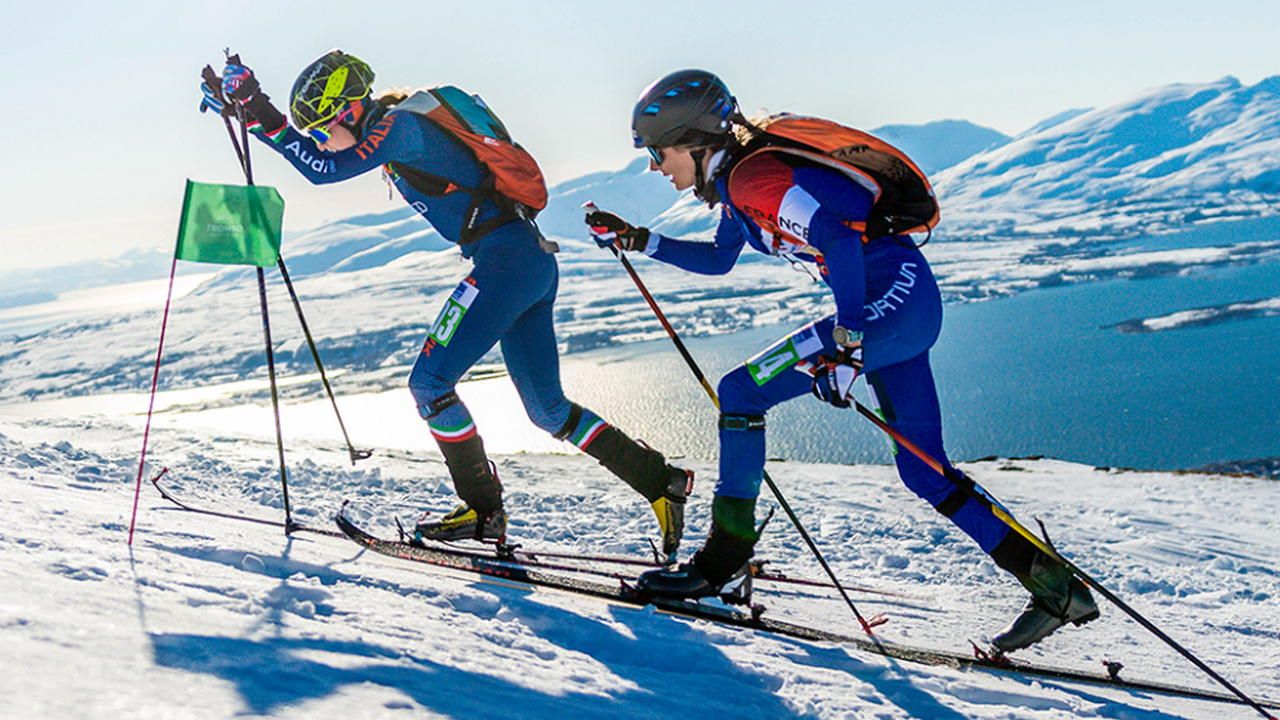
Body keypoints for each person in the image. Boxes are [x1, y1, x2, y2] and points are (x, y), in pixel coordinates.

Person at [585, 69, 1099, 652]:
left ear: (695, 141)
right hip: (905, 299)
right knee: (923, 469)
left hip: (884, 305)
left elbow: (835, 236)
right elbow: (719, 262)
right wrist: (637, 240)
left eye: (659, 152)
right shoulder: (741, 185)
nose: (656, 167)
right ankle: (1055, 587)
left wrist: (849, 345)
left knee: (741, 390)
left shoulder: (755, 179)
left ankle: (721, 565)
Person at [198, 50, 692, 559]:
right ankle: (660, 482)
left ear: (347, 110)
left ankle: (482, 510)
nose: (322, 139)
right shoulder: (395, 132)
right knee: (548, 411)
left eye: (324, 127)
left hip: (505, 263)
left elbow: (323, 169)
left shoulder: (398, 127)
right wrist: (251, 113)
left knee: (429, 384)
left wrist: (256, 109)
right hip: (525, 261)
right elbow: (322, 157)